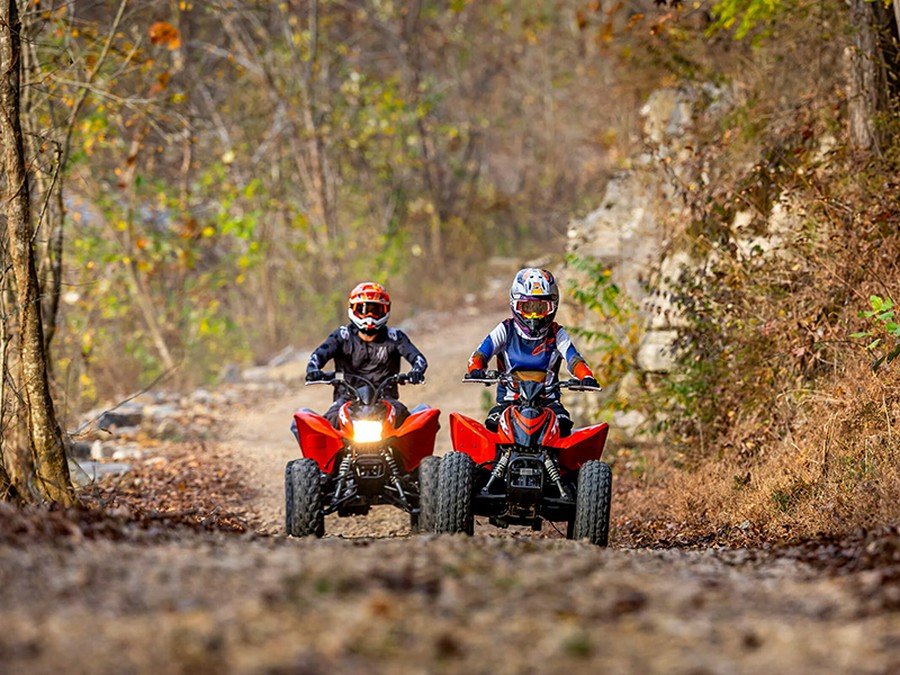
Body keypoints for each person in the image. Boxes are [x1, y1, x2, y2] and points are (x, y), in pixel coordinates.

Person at [465, 267, 599, 436]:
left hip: (548, 403)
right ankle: (491, 463)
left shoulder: (557, 333)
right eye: (527, 308)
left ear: (553, 307)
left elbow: (574, 359)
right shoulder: (505, 329)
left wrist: (585, 376)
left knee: (564, 426)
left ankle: (564, 463)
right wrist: (476, 370)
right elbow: (480, 354)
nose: (534, 316)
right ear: (515, 304)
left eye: (541, 308)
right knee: (492, 424)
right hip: (509, 402)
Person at [304, 281, 428, 429]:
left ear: (385, 310)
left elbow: (419, 359)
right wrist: (313, 370)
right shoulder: (342, 336)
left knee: (413, 422)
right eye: (363, 309)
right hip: (347, 399)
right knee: (325, 425)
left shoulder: (395, 337)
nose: (369, 315)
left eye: (375, 310)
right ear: (352, 309)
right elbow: (317, 356)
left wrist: (416, 372)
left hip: (386, 399)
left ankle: (411, 453)